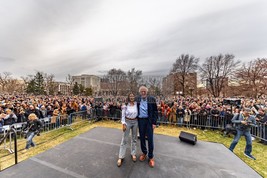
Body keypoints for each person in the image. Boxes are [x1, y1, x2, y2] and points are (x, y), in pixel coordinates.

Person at [136, 86, 158, 168]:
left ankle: (151, 156)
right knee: (141, 138)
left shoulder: (151, 99)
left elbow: (155, 111)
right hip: (141, 121)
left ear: (147, 92)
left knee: (150, 139)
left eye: (144, 91)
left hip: (149, 121)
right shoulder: (137, 99)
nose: (143, 92)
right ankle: (144, 153)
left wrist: (154, 122)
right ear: (139, 92)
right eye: (141, 91)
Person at [117, 92, 138, 167]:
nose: (132, 97)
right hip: (127, 122)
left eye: (133, 96)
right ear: (128, 97)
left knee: (134, 139)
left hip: (135, 121)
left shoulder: (136, 104)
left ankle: (133, 153)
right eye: (130, 96)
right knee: (124, 140)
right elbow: (123, 115)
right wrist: (123, 124)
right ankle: (121, 156)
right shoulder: (125, 105)